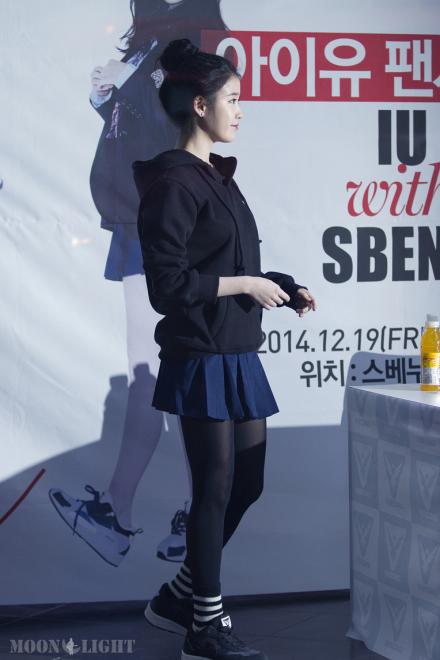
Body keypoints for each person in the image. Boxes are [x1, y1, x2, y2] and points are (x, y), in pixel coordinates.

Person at [133, 38, 317, 660]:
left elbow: (230, 264)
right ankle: (203, 626)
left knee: (247, 482)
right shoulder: (171, 182)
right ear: (198, 104)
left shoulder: (218, 178)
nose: (240, 111)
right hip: (200, 355)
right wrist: (245, 285)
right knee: (213, 489)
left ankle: (179, 596)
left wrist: (282, 287)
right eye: (233, 99)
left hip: (236, 350)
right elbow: (168, 287)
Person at [48, 0, 229, 567]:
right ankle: (140, 512)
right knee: (156, 372)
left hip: (163, 220)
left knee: (163, 373)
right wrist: (107, 99)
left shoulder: (191, 35)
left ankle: (153, 514)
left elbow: (184, 124)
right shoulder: (156, 35)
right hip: (144, 218)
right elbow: (146, 129)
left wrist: (127, 87)